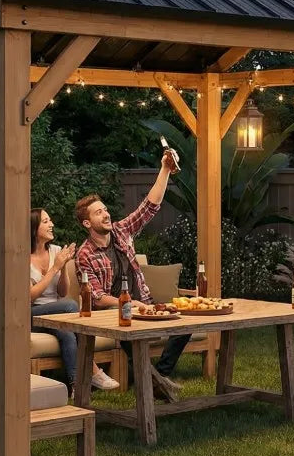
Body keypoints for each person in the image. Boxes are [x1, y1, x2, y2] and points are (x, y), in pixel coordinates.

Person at [75, 149, 187, 400]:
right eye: (98, 212)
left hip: (142, 304)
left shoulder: (121, 231)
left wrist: (165, 169)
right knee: (128, 325)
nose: (106, 214)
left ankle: (159, 376)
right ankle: (158, 384)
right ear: (86, 223)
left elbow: (150, 206)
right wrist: (128, 303)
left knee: (185, 322)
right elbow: (97, 297)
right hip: (115, 312)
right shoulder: (84, 254)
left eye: (105, 210)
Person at [30, 208, 119, 395]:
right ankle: (94, 371)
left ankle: (76, 387)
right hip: (31, 314)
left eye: (50, 220)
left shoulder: (55, 251)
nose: (51, 225)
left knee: (67, 332)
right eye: (46, 222)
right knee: (70, 306)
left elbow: (62, 292)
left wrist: (63, 269)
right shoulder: (22, 257)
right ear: (33, 227)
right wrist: (55, 268)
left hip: (57, 315)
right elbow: (29, 296)